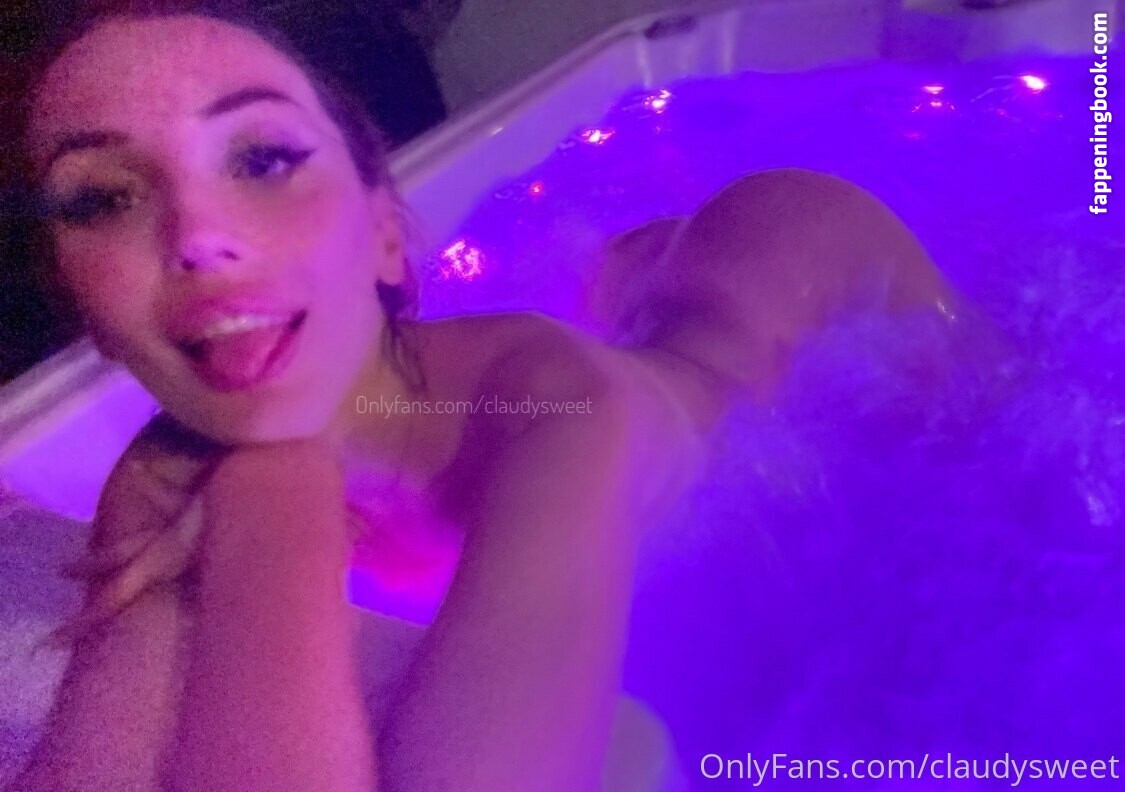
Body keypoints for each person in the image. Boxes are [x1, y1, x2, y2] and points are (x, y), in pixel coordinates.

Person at [2, 3, 960, 790]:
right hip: (648, 325)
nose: (197, 235)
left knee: (989, 443)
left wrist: (265, 502)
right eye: (103, 197)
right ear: (89, 316)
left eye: (262, 158)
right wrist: (277, 488)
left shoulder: (555, 415)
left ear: (386, 234)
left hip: (799, 267)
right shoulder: (166, 460)